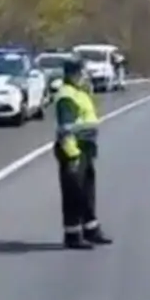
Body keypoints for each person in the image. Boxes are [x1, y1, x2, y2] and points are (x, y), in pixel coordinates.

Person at [54, 57, 113, 249]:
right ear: (73, 74)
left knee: (87, 193)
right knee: (74, 194)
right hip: (74, 150)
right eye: (82, 72)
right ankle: (72, 235)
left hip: (85, 148)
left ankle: (91, 230)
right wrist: (73, 156)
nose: (85, 76)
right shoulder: (67, 96)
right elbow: (66, 129)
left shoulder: (80, 92)